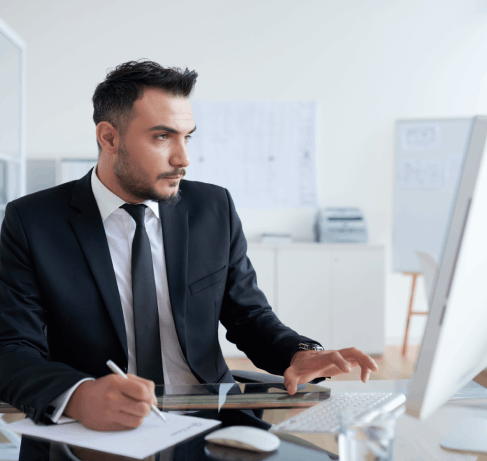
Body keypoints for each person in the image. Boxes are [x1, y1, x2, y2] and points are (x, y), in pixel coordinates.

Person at [0, 61, 378, 434]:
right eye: (162, 137)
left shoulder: (213, 209)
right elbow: (12, 345)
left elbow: (249, 316)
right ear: (109, 138)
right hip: (94, 427)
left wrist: (298, 352)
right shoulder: (33, 222)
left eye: (187, 137)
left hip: (208, 419)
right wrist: (80, 397)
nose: (183, 159)